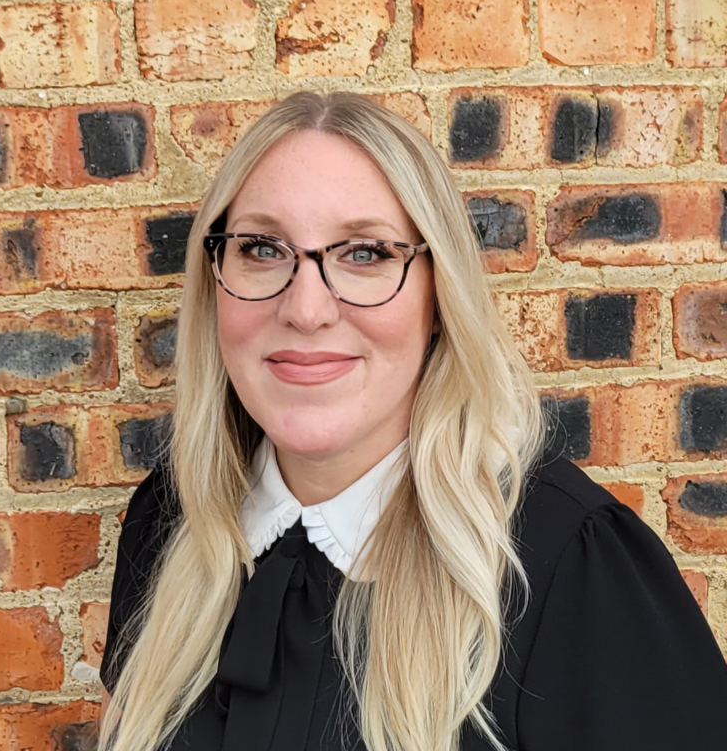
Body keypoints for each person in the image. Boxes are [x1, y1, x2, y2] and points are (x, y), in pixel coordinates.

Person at [97, 92, 727, 751]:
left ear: (436, 295)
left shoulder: (569, 568)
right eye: (262, 248)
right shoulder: (171, 522)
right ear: (215, 278)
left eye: (364, 254)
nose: (306, 309)